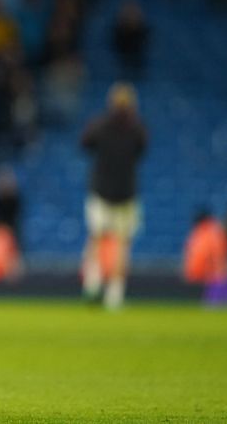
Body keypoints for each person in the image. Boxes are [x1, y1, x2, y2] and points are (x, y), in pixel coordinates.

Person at [79, 82, 147, 310]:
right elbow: (142, 149)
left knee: (95, 238)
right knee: (122, 245)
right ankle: (114, 294)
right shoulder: (137, 128)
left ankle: (93, 283)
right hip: (126, 193)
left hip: (101, 190)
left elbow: (85, 143)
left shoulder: (100, 125)